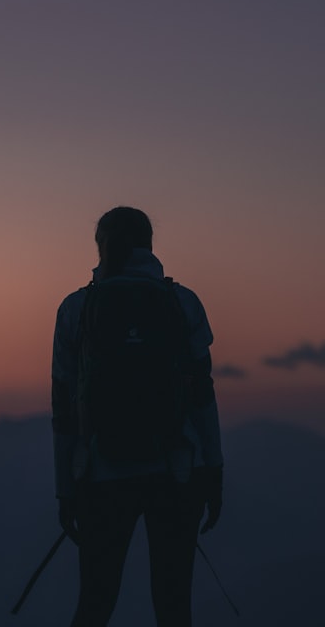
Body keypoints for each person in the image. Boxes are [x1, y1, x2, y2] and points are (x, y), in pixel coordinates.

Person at [52, 206, 224, 627]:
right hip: (178, 471)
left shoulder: (77, 309)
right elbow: (203, 396)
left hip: (100, 475)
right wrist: (213, 473)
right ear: (149, 246)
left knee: (95, 602)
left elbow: (63, 409)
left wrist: (66, 489)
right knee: (173, 606)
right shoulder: (182, 302)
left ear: (103, 247)